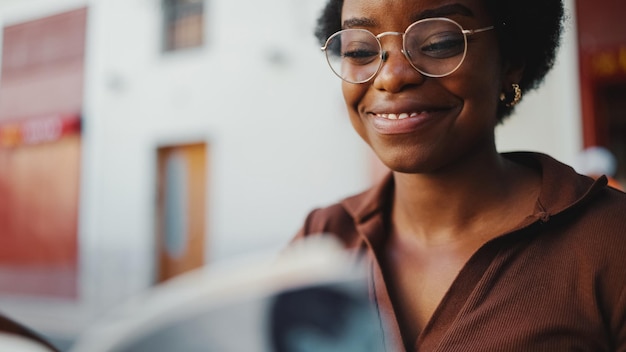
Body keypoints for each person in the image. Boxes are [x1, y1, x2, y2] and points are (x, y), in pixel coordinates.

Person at [293, 0, 626, 351]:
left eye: (439, 43)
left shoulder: (610, 239)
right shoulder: (324, 237)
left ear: (511, 61)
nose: (391, 77)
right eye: (360, 50)